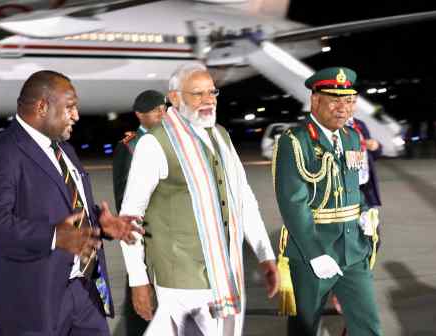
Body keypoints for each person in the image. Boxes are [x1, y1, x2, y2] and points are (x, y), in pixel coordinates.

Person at [0, 70, 143, 336]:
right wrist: (53, 236)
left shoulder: (62, 148)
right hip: (33, 301)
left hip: (84, 290)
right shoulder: (1, 155)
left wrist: (99, 222)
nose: (76, 116)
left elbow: (63, 205)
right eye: (70, 107)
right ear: (42, 106)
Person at [119, 62, 278, 336]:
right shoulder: (154, 144)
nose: (208, 100)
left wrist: (264, 254)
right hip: (180, 281)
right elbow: (130, 217)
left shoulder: (221, 136)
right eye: (197, 94)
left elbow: (244, 199)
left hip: (227, 275)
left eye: (212, 92)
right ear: (175, 98)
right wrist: (138, 280)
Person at [273, 67, 382, 336]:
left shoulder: (353, 137)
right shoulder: (295, 141)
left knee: (368, 325)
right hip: (313, 251)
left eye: (349, 101)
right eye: (334, 100)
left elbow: (355, 186)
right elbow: (293, 203)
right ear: (315, 100)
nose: (342, 108)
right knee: (305, 329)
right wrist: (315, 253)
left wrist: (365, 213)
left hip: (353, 250)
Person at [112, 89, 166, 334]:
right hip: (145, 233)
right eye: (156, 111)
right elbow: (124, 197)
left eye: (164, 109)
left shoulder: (169, 140)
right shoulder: (129, 147)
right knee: (141, 293)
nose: (162, 114)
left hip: (170, 235)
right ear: (139, 115)